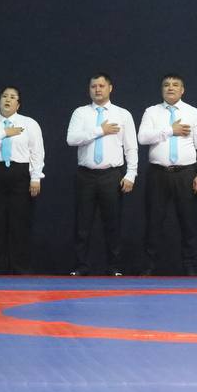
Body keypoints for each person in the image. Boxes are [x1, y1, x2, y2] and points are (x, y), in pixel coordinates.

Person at [138, 74, 197, 276]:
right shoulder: (151, 112)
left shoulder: (193, 113)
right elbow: (142, 137)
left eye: (175, 85)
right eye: (166, 85)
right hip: (158, 174)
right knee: (154, 221)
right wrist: (170, 130)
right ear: (162, 89)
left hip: (186, 174)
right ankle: (149, 266)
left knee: (188, 222)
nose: (170, 88)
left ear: (182, 90)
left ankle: (190, 266)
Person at [66, 73, 137, 276]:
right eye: (93, 86)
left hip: (112, 175)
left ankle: (114, 267)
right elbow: (71, 139)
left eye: (101, 86)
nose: (97, 89)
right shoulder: (80, 113)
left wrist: (131, 174)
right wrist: (100, 130)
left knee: (113, 223)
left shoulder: (123, 114)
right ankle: (81, 266)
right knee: (82, 224)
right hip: (85, 175)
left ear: (110, 88)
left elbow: (131, 147)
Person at [0, 86, 44, 274]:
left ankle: (20, 267)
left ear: (18, 104)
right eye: (4, 96)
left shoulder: (29, 123)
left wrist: (35, 177)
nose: (8, 99)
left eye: (13, 97)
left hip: (20, 174)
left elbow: (37, 152)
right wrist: (4, 133)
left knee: (19, 221)